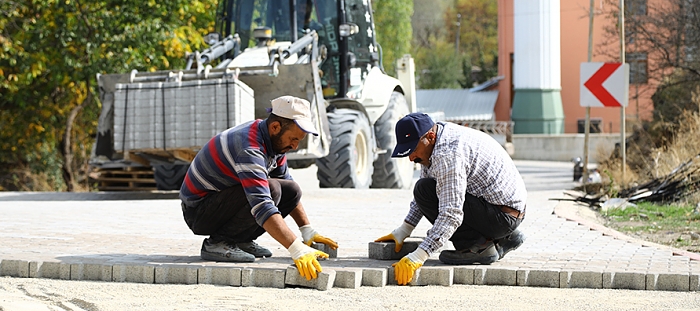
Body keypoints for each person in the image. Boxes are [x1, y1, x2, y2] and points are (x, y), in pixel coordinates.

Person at [180, 95, 337, 280]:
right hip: (198, 211)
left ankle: (240, 240)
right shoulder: (249, 147)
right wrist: (296, 249)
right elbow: (262, 204)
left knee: (290, 190)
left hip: (220, 203)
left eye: (299, 140)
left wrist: (307, 230)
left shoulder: (274, 144)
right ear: (275, 127)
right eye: (293, 138)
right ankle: (217, 243)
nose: (295, 146)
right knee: (270, 191)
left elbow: (288, 187)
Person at [375, 112, 527, 286]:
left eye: (413, 149)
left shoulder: (448, 154)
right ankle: (505, 237)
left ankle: (478, 247)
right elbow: (427, 191)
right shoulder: (439, 137)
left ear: (430, 137)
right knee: (425, 188)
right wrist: (404, 230)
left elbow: (451, 214)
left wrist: (419, 255)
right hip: (504, 210)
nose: (411, 158)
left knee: (427, 191)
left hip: (502, 217)